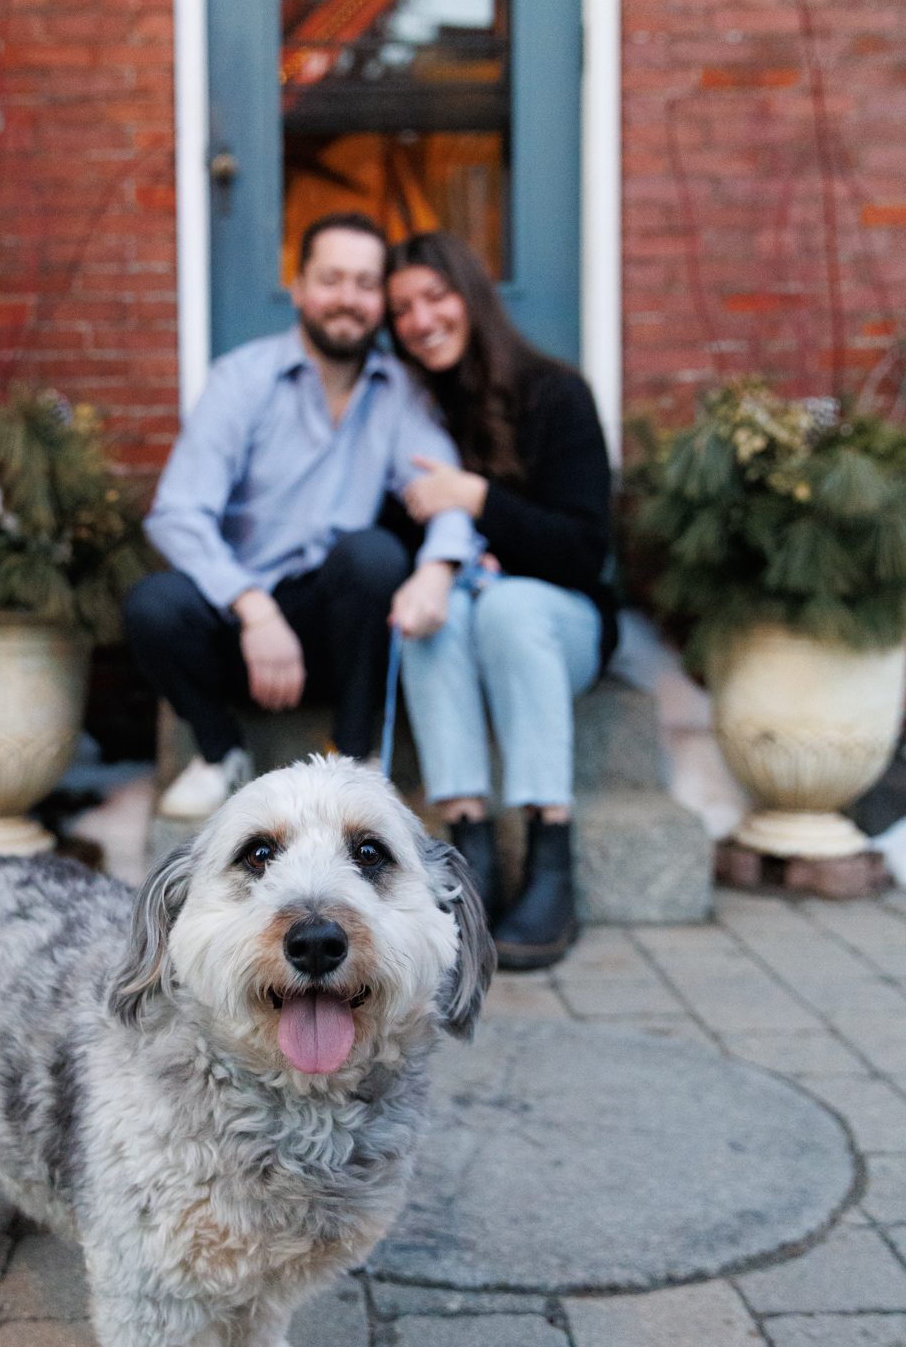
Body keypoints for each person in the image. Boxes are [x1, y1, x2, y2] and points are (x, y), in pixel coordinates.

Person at [126, 212, 482, 819]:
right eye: (331, 279)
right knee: (153, 605)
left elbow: (443, 491)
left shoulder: (398, 391)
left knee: (375, 555)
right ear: (298, 288)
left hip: (338, 630)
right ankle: (220, 752)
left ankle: (353, 760)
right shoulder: (242, 381)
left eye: (366, 284)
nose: (348, 299)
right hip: (241, 627)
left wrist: (440, 568)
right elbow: (177, 514)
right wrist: (253, 607)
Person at [384, 229, 617, 970]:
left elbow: (584, 551)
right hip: (462, 632)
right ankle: (469, 852)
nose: (421, 320)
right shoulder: (409, 415)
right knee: (437, 613)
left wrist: (476, 499)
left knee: (512, 607)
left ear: (471, 297)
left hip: (560, 627)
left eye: (435, 297)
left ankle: (551, 854)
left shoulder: (557, 394)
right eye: (403, 309)